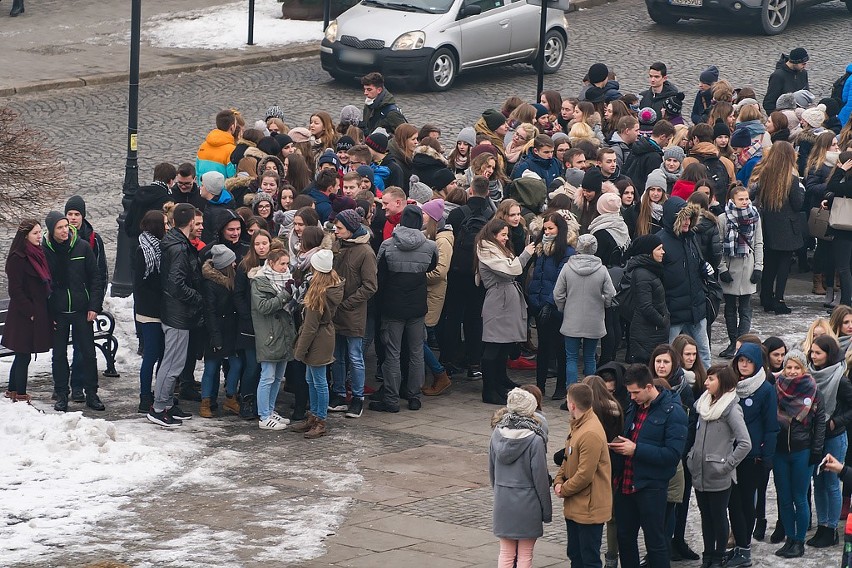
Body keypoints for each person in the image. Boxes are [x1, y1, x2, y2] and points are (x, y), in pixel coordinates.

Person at [610, 363, 687, 568]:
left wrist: (636, 450)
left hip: (651, 487)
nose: (632, 396)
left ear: (649, 386)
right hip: (626, 484)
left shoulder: (673, 412)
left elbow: (672, 455)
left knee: (655, 541)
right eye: (630, 393)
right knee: (625, 538)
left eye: (635, 392)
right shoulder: (633, 406)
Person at [371, 205, 438, 413]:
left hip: (392, 306)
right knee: (416, 352)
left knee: (393, 353)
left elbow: (380, 275)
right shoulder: (430, 246)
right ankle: (414, 396)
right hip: (417, 306)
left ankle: (391, 399)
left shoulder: (388, 245)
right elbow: (431, 267)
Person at [687, 364, 752, 568]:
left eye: (711, 379)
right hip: (700, 471)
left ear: (722, 382)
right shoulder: (704, 404)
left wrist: (726, 465)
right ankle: (708, 556)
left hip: (718, 474)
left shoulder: (731, 408)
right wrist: (691, 456)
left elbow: (745, 443)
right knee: (706, 517)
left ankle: (718, 556)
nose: (706, 383)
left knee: (718, 517)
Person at [42, 211, 105, 413]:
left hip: (81, 309)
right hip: (58, 311)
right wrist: (47, 313)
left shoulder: (82, 247)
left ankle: (91, 393)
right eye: (59, 228)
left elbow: (96, 278)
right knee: (59, 355)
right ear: (51, 231)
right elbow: (41, 285)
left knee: (88, 353)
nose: (64, 231)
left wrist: (94, 306)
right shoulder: (45, 251)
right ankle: (61, 394)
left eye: (66, 226)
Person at [148, 204, 201, 427]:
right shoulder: (179, 248)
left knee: (173, 362)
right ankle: (159, 407)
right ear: (190, 222)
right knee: (172, 364)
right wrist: (197, 297)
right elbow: (176, 284)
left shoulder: (174, 242)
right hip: (177, 313)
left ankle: (167, 403)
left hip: (175, 311)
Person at [489, 388, 552, 568]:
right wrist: (546, 511)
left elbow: (492, 470)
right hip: (528, 503)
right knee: (525, 555)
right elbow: (540, 479)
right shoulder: (535, 440)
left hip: (503, 500)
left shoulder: (496, 434)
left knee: (506, 554)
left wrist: (499, 493)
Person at [554, 383, 613, 568]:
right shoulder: (579, 426)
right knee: (575, 554)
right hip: (577, 505)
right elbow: (567, 457)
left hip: (589, 507)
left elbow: (585, 475)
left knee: (589, 559)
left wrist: (563, 489)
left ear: (572, 405)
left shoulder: (590, 432)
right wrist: (558, 479)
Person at [774, 349, 826, 558]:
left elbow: (820, 423)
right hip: (780, 452)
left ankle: (799, 540)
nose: (793, 371)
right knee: (784, 498)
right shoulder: (776, 389)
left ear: (804, 369)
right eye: (789, 367)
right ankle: (789, 538)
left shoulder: (814, 391)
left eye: (797, 367)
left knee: (800, 497)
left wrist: (816, 451)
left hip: (802, 451)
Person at [477, 218, 535, 404]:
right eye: (503, 235)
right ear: (493, 235)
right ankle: (489, 390)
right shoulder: (487, 251)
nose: (505, 238)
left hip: (505, 299)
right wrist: (525, 254)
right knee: (493, 346)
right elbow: (510, 271)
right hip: (498, 301)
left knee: (503, 346)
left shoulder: (495, 249)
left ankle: (498, 383)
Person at [330, 209, 378, 418]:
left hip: (353, 312)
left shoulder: (365, 252)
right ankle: (339, 393)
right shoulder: (338, 246)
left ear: (350, 228)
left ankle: (357, 397)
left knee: (355, 356)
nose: (335, 231)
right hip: (336, 310)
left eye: (339, 228)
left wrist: (348, 303)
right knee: (337, 355)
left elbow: (370, 286)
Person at [292, 249, 343, 438]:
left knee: (318, 381)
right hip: (325, 336)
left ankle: (319, 419)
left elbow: (310, 327)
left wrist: (300, 350)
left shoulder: (317, 294)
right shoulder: (333, 285)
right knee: (311, 379)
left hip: (318, 341)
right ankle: (314, 416)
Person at [553, 234, 616, 387]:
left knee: (572, 358)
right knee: (589, 357)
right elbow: (610, 294)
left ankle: (572, 392)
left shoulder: (568, 268)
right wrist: (604, 304)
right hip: (594, 319)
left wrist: (563, 308)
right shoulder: (601, 270)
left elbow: (558, 293)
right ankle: (591, 391)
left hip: (572, 318)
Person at [750, 141, 805, 315]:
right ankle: (779, 299)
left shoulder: (764, 174)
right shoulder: (792, 178)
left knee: (770, 262)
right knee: (783, 265)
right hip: (787, 227)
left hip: (768, 225)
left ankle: (766, 297)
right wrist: (802, 189)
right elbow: (798, 204)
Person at [807, 335, 852, 547]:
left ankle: (832, 528)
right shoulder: (810, 375)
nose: (813, 356)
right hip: (815, 435)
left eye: (818, 353)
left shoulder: (840, 379)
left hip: (834, 436)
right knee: (819, 482)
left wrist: (835, 421)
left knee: (831, 483)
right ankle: (822, 524)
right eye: (812, 352)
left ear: (829, 354)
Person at [658, 197, 712, 369]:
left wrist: (703, 268)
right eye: (684, 219)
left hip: (695, 306)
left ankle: (707, 386)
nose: (688, 222)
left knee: (703, 351)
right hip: (674, 308)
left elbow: (696, 265)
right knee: (669, 354)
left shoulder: (691, 238)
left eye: (690, 218)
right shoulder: (661, 242)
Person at [2, 219, 52, 404]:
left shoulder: (38, 253)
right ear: (25, 236)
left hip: (35, 312)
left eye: (40, 232)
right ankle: (20, 394)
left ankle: (13, 390)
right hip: (23, 315)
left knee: (22, 354)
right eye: (35, 233)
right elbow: (15, 290)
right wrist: (31, 311)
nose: (39, 236)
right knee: (23, 354)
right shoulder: (18, 258)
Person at [528, 213, 576, 399]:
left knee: (559, 346)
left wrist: (549, 303)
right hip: (539, 304)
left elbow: (559, 280)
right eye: (545, 229)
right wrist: (535, 301)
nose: (547, 232)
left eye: (551, 229)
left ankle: (560, 386)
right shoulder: (540, 249)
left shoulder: (566, 251)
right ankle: (539, 385)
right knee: (543, 348)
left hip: (557, 306)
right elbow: (536, 277)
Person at [250, 247, 296, 430]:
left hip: (283, 335)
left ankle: (270, 409)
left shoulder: (287, 279)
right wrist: (285, 295)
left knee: (278, 377)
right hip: (269, 335)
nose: (285, 267)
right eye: (281, 264)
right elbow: (262, 306)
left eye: (287, 263)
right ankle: (264, 416)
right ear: (271, 263)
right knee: (267, 377)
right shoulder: (259, 281)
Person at [717, 184, 764, 358]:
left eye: (747, 198)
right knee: (729, 308)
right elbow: (719, 246)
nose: (745, 202)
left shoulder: (755, 216)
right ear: (732, 200)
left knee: (745, 307)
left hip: (748, 267)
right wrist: (722, 268)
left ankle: (740, 344)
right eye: (741, 199)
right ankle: (732, 343)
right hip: (730, 266)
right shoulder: (723, 218)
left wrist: (758, 267)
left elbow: (758, 242)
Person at [132, 211, 168, 413]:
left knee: (162, 354)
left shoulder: (159, 247)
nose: (167, 227)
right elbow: (141, 285)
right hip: (149, 312)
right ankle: (145, 396)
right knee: (151, 354)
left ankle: (159, 392)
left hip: (160, 310)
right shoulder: (144, 250)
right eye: (164, 223)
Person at [623, 235, 669, 364]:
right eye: (659, 249)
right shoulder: (643, 274)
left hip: (652, 331)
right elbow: (645, 306)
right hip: (648, 332)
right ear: (649, 252)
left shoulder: (651, 270)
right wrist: (663, 321)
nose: (663, 252)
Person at [825, 152, 852, 306]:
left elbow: (834, 186)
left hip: (844, 229)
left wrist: (840, 170)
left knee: (843, 267)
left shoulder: (846, 179)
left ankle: (846, 303)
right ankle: (845, 301)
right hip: (845, 228)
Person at [624, 120, 675, 196]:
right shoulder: (654, 157)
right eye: (668, 139)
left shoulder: (637, 147)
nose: (668, 143)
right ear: (662, 137)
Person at [764, 48, 810, 112]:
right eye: (803, 64)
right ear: (795, 62)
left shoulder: (803, 73)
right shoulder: (778, 76)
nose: (805, 66)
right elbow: (769, 104)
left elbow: (806, 94)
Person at [197, 109, 238, 179]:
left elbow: (197, 171)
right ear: (232, 127)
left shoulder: (203, 146)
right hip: (221, 189)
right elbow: (232, 176)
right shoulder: (231, 150)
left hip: (203, 188)